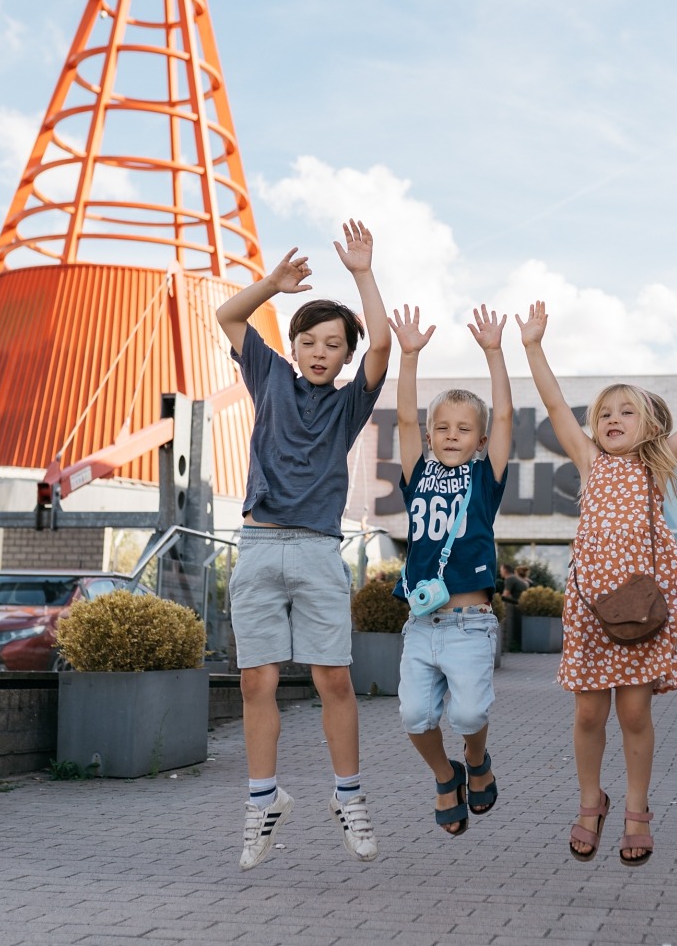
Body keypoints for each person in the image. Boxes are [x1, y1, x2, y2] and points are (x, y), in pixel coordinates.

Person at [517, 300, 677, 866]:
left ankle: (636, 806)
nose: (613, 420)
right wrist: (532, 346)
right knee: (588, 715)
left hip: (644, 609)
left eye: (627, 412)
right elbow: (552, 402)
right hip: (591, 609)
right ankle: (588, 801)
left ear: (649, 427)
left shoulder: (656, 463)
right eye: (605, 414)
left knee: (634, 715)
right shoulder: (590, 462)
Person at [216, 219, 392, 871]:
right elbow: (227, 316)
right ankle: (264, 799)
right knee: (256, 681)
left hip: (318, 552)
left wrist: (362, 274)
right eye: (310, 340)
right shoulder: (267, 375)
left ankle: (348, 796)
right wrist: (272, 285)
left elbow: (382, 350)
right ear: (292, 345)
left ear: (344, 358)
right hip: (259, 548)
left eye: (333, 345)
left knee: (333, 679)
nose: (321, 351)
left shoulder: (348, 406)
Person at [387, 302, 512, 836]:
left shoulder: (486, 479)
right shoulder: (418, 474)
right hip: (421, 625)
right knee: (414, 718)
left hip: (470, 626)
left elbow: (504, 416)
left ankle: (477, 760)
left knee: (467, 718)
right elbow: (402, 418)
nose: (452, 434)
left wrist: (494, 352)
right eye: (442, 428)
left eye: (465, 429)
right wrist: (408, 357)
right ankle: (447, 775)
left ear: (481, 440)